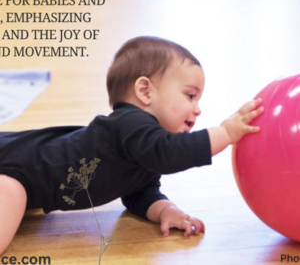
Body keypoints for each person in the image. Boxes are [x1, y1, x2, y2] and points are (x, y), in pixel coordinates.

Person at [0, 36, 263, 254]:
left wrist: (165, 210)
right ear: (145, 92)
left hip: (27, 183)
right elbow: (170, 154)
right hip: (18, 172)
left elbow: (139, 194)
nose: (197, 109)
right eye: (190, 95)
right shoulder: (130, 122)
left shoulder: (143, 148)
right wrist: (226, 133)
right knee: (12, 198)